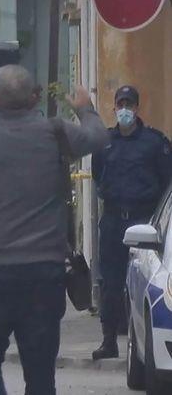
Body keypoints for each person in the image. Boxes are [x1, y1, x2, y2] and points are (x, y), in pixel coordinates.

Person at [0, 65, 109, 395]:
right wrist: (85, 109)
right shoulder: (56, 134)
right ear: (35, 98)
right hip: (44, 273)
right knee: (40, 368)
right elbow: (98, 137)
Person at [91, 85, 172, 360]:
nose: (124, 109)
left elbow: (166, 181)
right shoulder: (105, 142)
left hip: (143, 220)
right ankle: (108, 340)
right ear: (114, 107)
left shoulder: (154, 142)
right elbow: (98, 175)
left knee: (144, 278)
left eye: (129, 104)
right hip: (114, 220)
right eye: (120, 104)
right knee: (110, 281)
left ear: (137, 108)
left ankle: (141, 339)